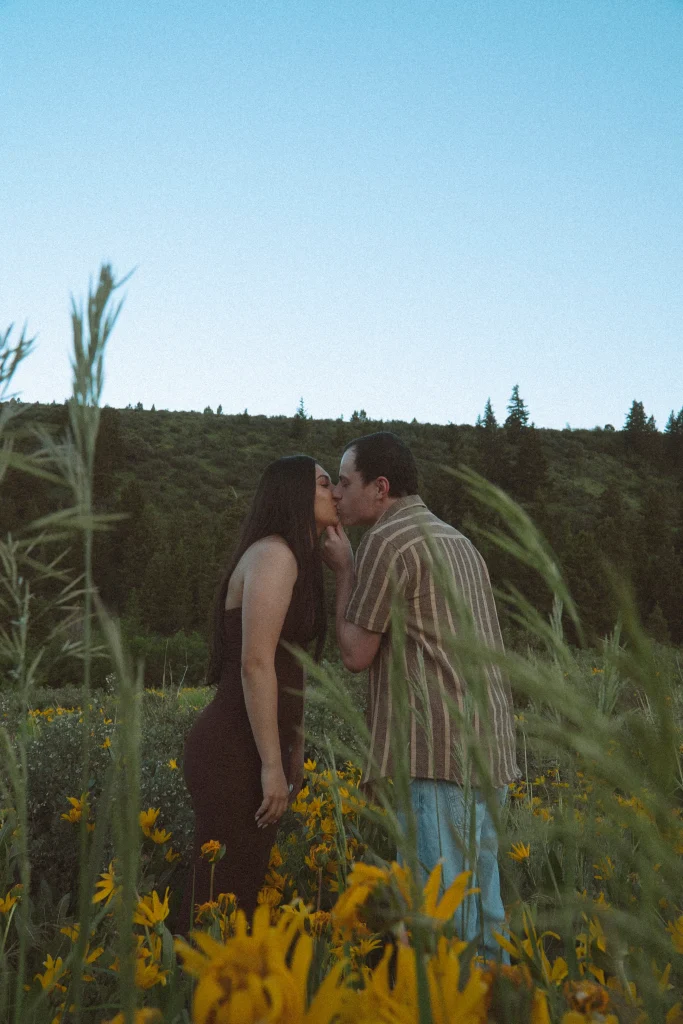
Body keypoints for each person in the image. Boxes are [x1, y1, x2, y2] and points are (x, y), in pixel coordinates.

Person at [322, 431, 519, 960]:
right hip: (490, 748)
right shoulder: (457, 540)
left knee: (443, 922)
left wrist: (344, 570)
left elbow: (355, 653)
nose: (337, 494)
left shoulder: (387, 541)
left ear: (379, 487)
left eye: (345, 481)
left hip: (435, 754)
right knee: (484, 916)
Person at [180, 455, 338, 929]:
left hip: (257, 746)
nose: (334, 492)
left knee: (239, 889)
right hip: (234, 749)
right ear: (294, 494)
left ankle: (209, 994)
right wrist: (271, 762)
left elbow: (296, 662)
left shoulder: (296, 560)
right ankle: (183, 991)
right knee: (221, 892)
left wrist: (295, 747)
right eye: (324, 483)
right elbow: (255, 663)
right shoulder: (274, 555)